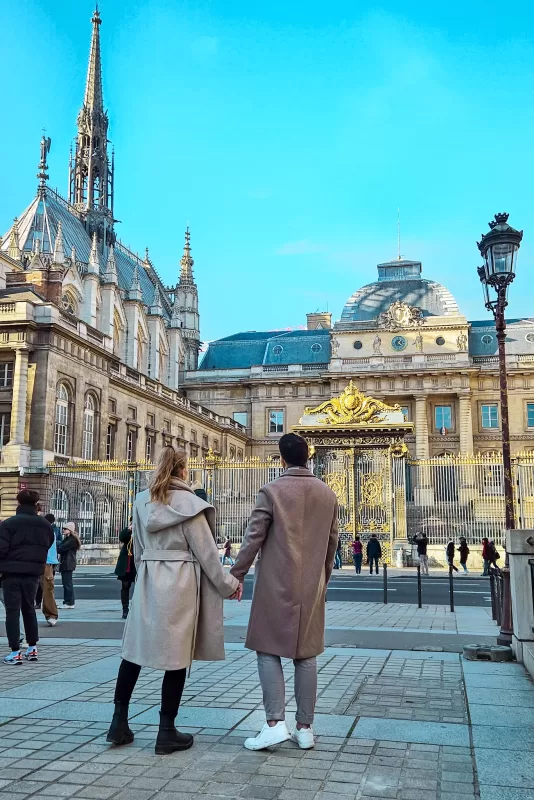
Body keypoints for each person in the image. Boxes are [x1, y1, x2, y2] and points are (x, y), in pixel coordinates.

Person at [107, 446, 241, 755]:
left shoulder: (141, 502)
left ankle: (118, 722)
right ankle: (166, 731)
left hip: (148, 578)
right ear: (183, 471)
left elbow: (138, 549)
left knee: (133, 651)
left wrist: (146, 576)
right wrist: (229, 585)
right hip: (180, 582)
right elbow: (208, 555)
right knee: (177, 655)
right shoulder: (191, 505)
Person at [230, 432, 338, 751]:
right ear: (309, 458)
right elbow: (332, 544)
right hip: (311, 584)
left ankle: (275, 724)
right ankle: (305, 729)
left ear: (281, 459)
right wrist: (322, 578)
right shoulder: (327, 493)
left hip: (275, 583)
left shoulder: (272, 491)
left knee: (267, 648)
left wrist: (236, 575)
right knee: (307, 655)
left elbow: (253, 539)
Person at [0, 489, 53, 664]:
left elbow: (2, 549)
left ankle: (15, 651)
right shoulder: (45, 525)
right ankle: (32, 648)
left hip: (11, 573)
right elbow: (48, 544)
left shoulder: (9, 524)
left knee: (12, 612)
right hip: (33, 574)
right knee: (29, 609)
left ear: (19, 503)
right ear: (36, 504)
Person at [35, 513, 62, 610]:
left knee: (43, 584)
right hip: (51, 560)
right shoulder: (54, 531)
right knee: (48, 584)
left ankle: (42, 603)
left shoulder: (46, 531)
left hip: (46, 560)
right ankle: (47, 603)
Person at [115, 520, 137, 619]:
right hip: (128, 561)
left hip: (138, 561)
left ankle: (137, 608)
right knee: (125, 585)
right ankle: (125, 609)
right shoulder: (128, 531)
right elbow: (122, 537)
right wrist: (129, 529)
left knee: (140, 587)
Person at [58, 523, 81, 608]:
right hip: (66, 563)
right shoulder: (68, 538)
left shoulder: (72, 540)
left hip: (68, 563)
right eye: (63, 528)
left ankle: (69, 602)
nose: (63, 530)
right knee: (66, 583)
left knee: (67, 583)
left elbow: (60, 548)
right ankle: (68, 601)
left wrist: (59, 546)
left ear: (70, 530)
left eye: (65, 528)